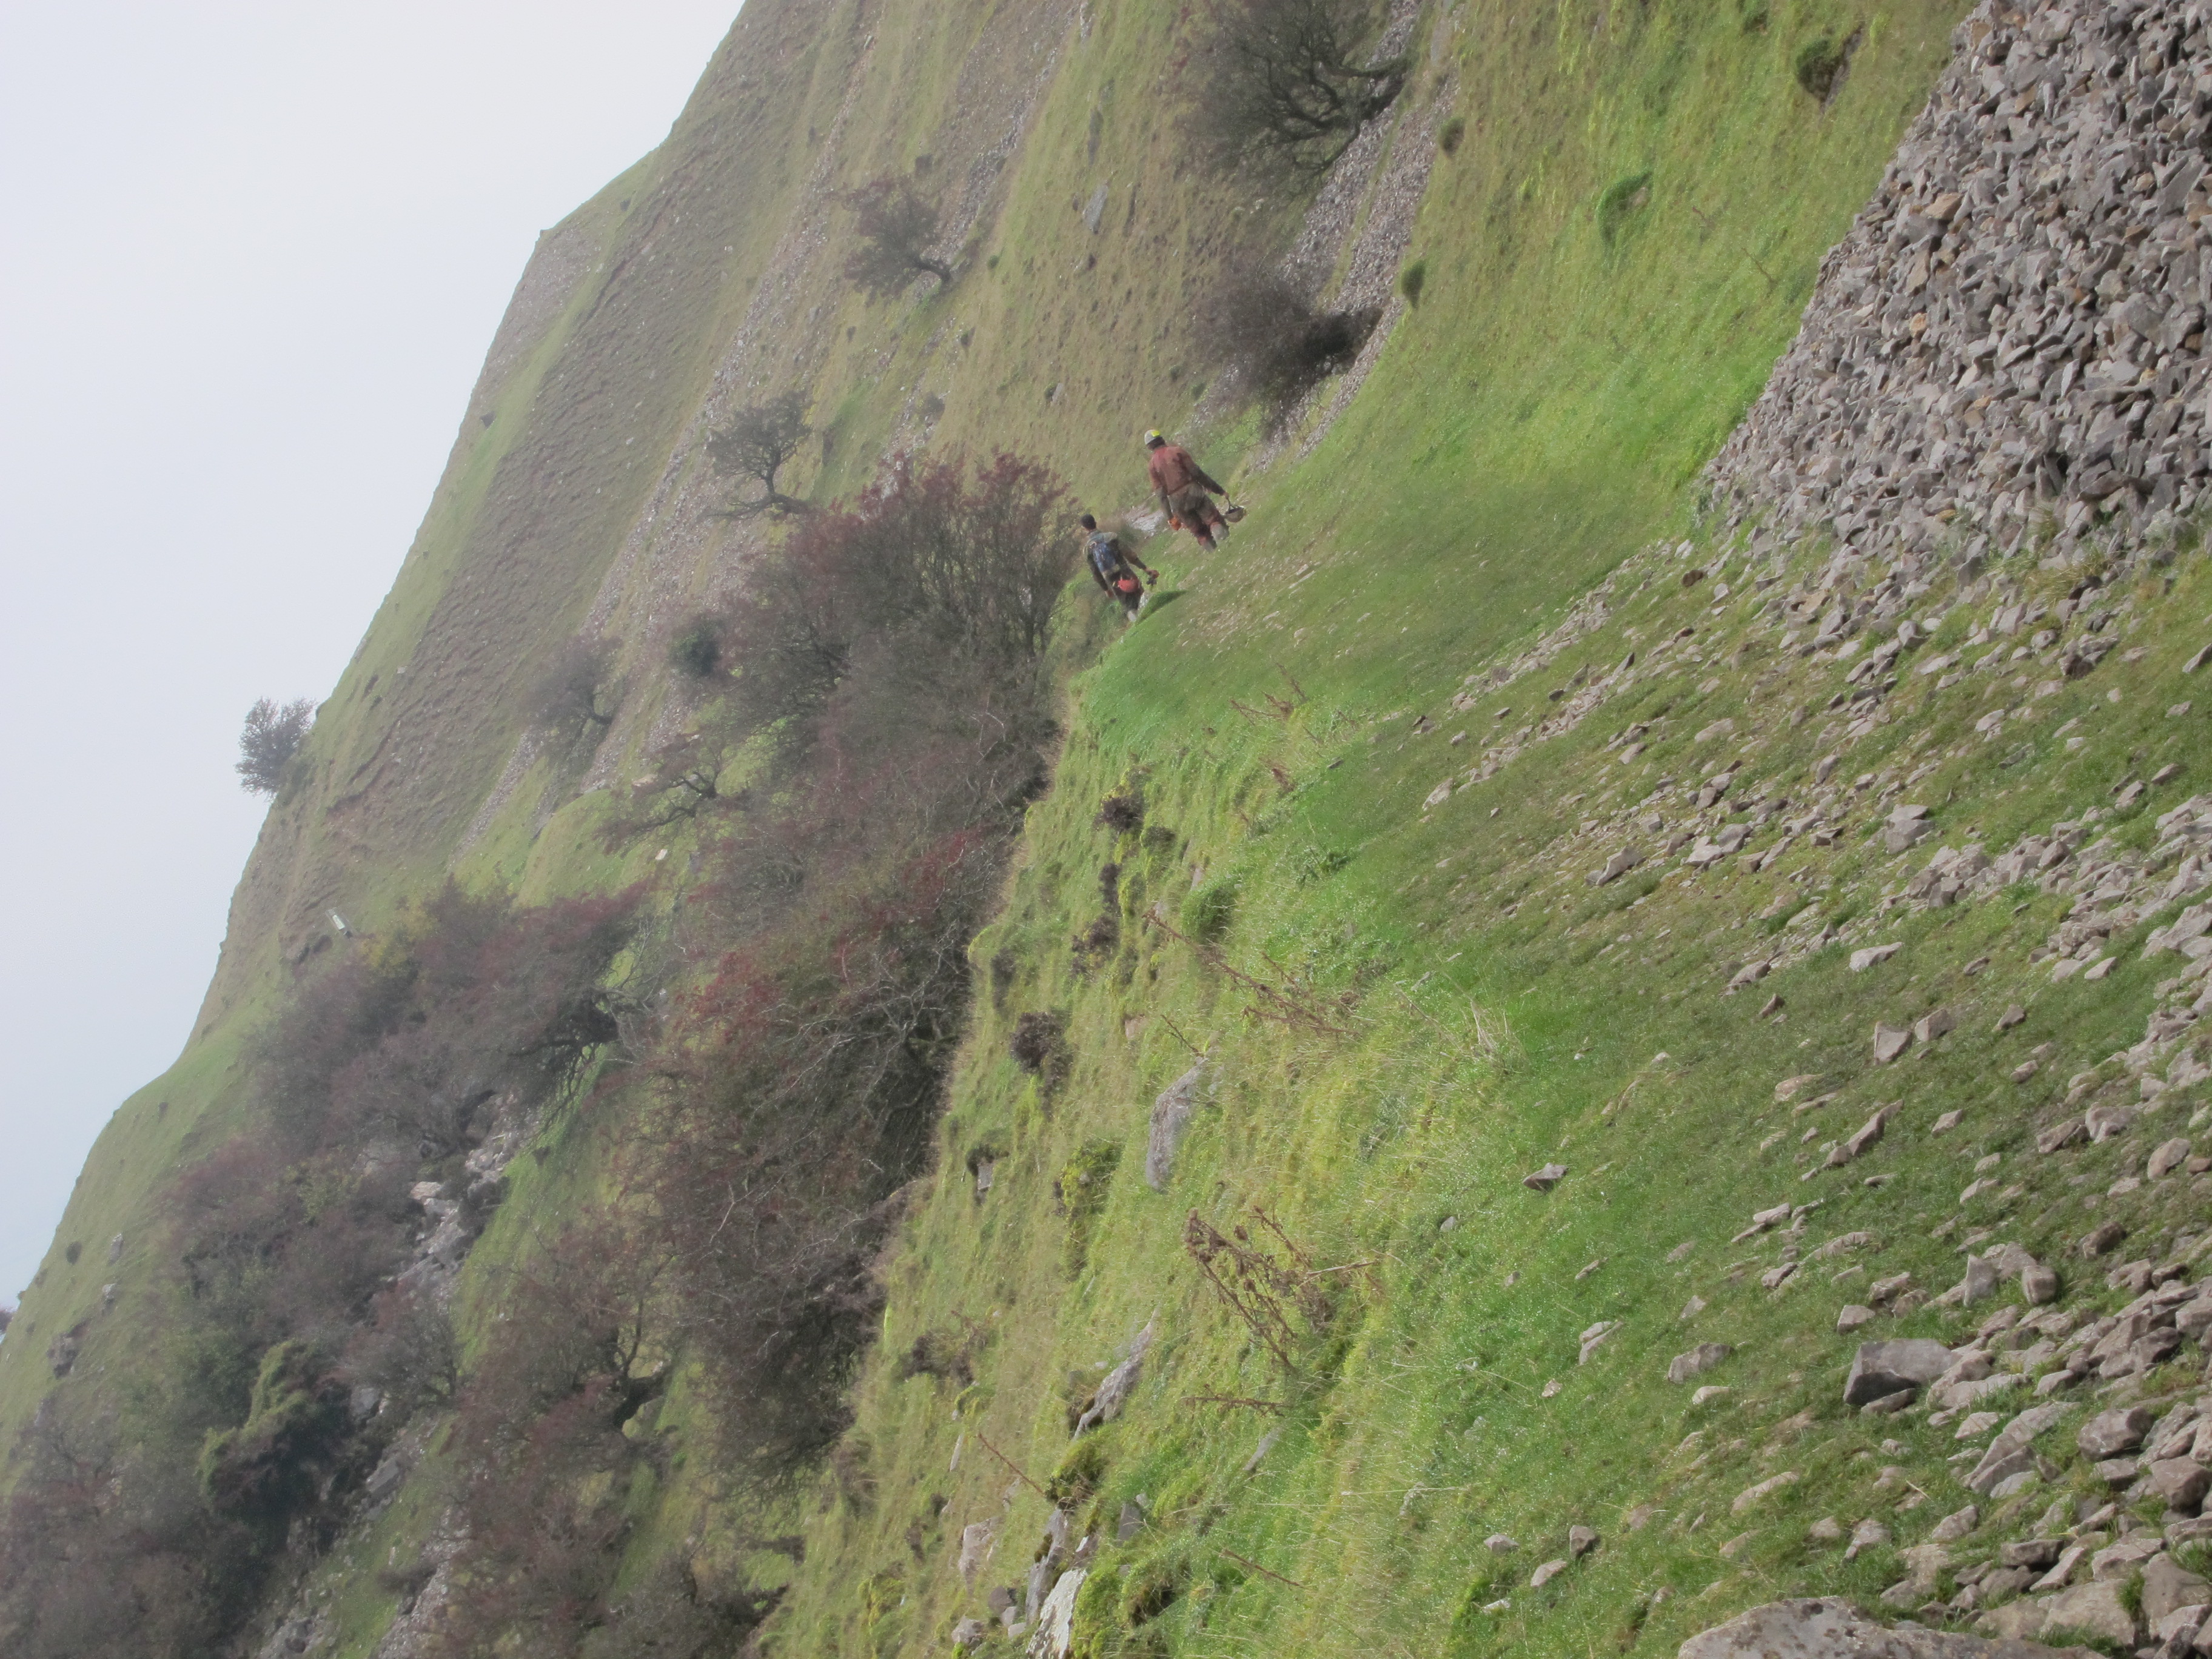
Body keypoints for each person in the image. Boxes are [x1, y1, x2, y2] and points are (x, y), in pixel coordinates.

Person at [1144, 430, 1235, 551]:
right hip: (1193, 492)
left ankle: (1214, 552)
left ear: (1149, 447)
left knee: (1199, 532)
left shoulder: (1152, 466)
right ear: (1162, 439)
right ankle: (1228, 547)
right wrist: (1219, 490)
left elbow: (1161, 495)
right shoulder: (1176, 451)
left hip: (1177, 502)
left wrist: (1170, 518)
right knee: (1213, 520)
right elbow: (1197, 473)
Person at [1080, 513, 1157, 623]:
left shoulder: (1087, 550)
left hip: (1112, 580)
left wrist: (1106, 589)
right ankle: (1153, 618)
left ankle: (1138, 623)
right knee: (1140, 595)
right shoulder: (1111, 537)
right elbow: (1130, 555)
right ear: (1095, 523)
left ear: (1085, 529)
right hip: (1126, 572)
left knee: (1128, 606)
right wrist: (1144, 568)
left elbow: (1095, 573)